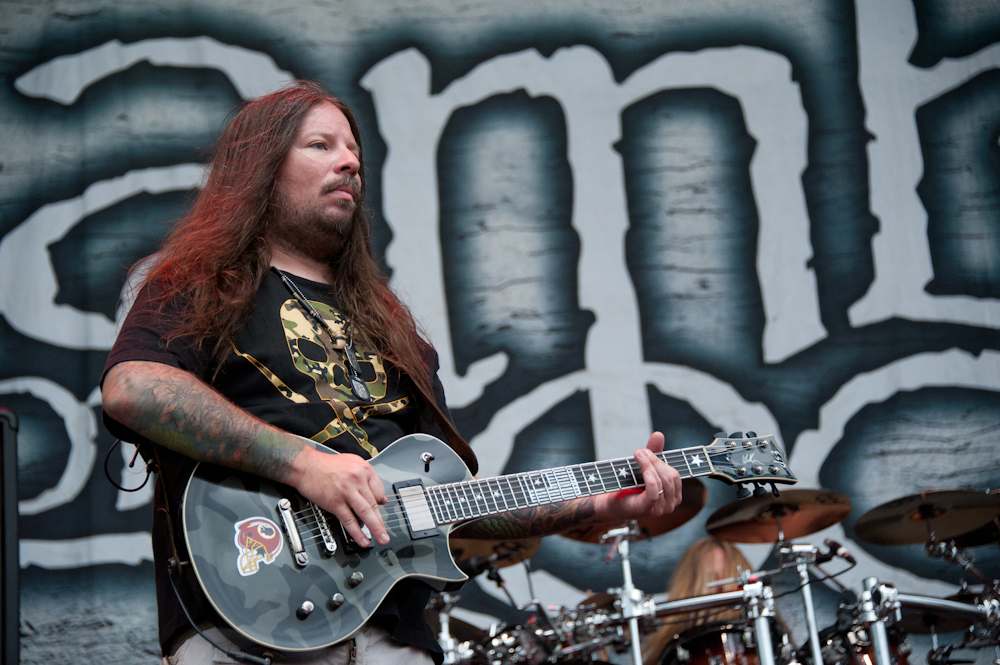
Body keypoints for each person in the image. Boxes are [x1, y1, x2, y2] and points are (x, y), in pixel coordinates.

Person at [100, 80, 683, 665]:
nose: (350, 161)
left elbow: (444, 506)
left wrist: (602, 507)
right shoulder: (203, 282)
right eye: (320, 146)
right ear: (260, 168)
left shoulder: (392, 327)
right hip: (249, 615)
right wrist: (304, 464)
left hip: (393, 634)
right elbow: (134, 389)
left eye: (353, 151)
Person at [642, 537, 751, 665]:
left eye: (730, 578)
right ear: (691, 587)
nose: (723, 585)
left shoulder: (762, 630)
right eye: (713, 578)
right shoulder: (668, 652)